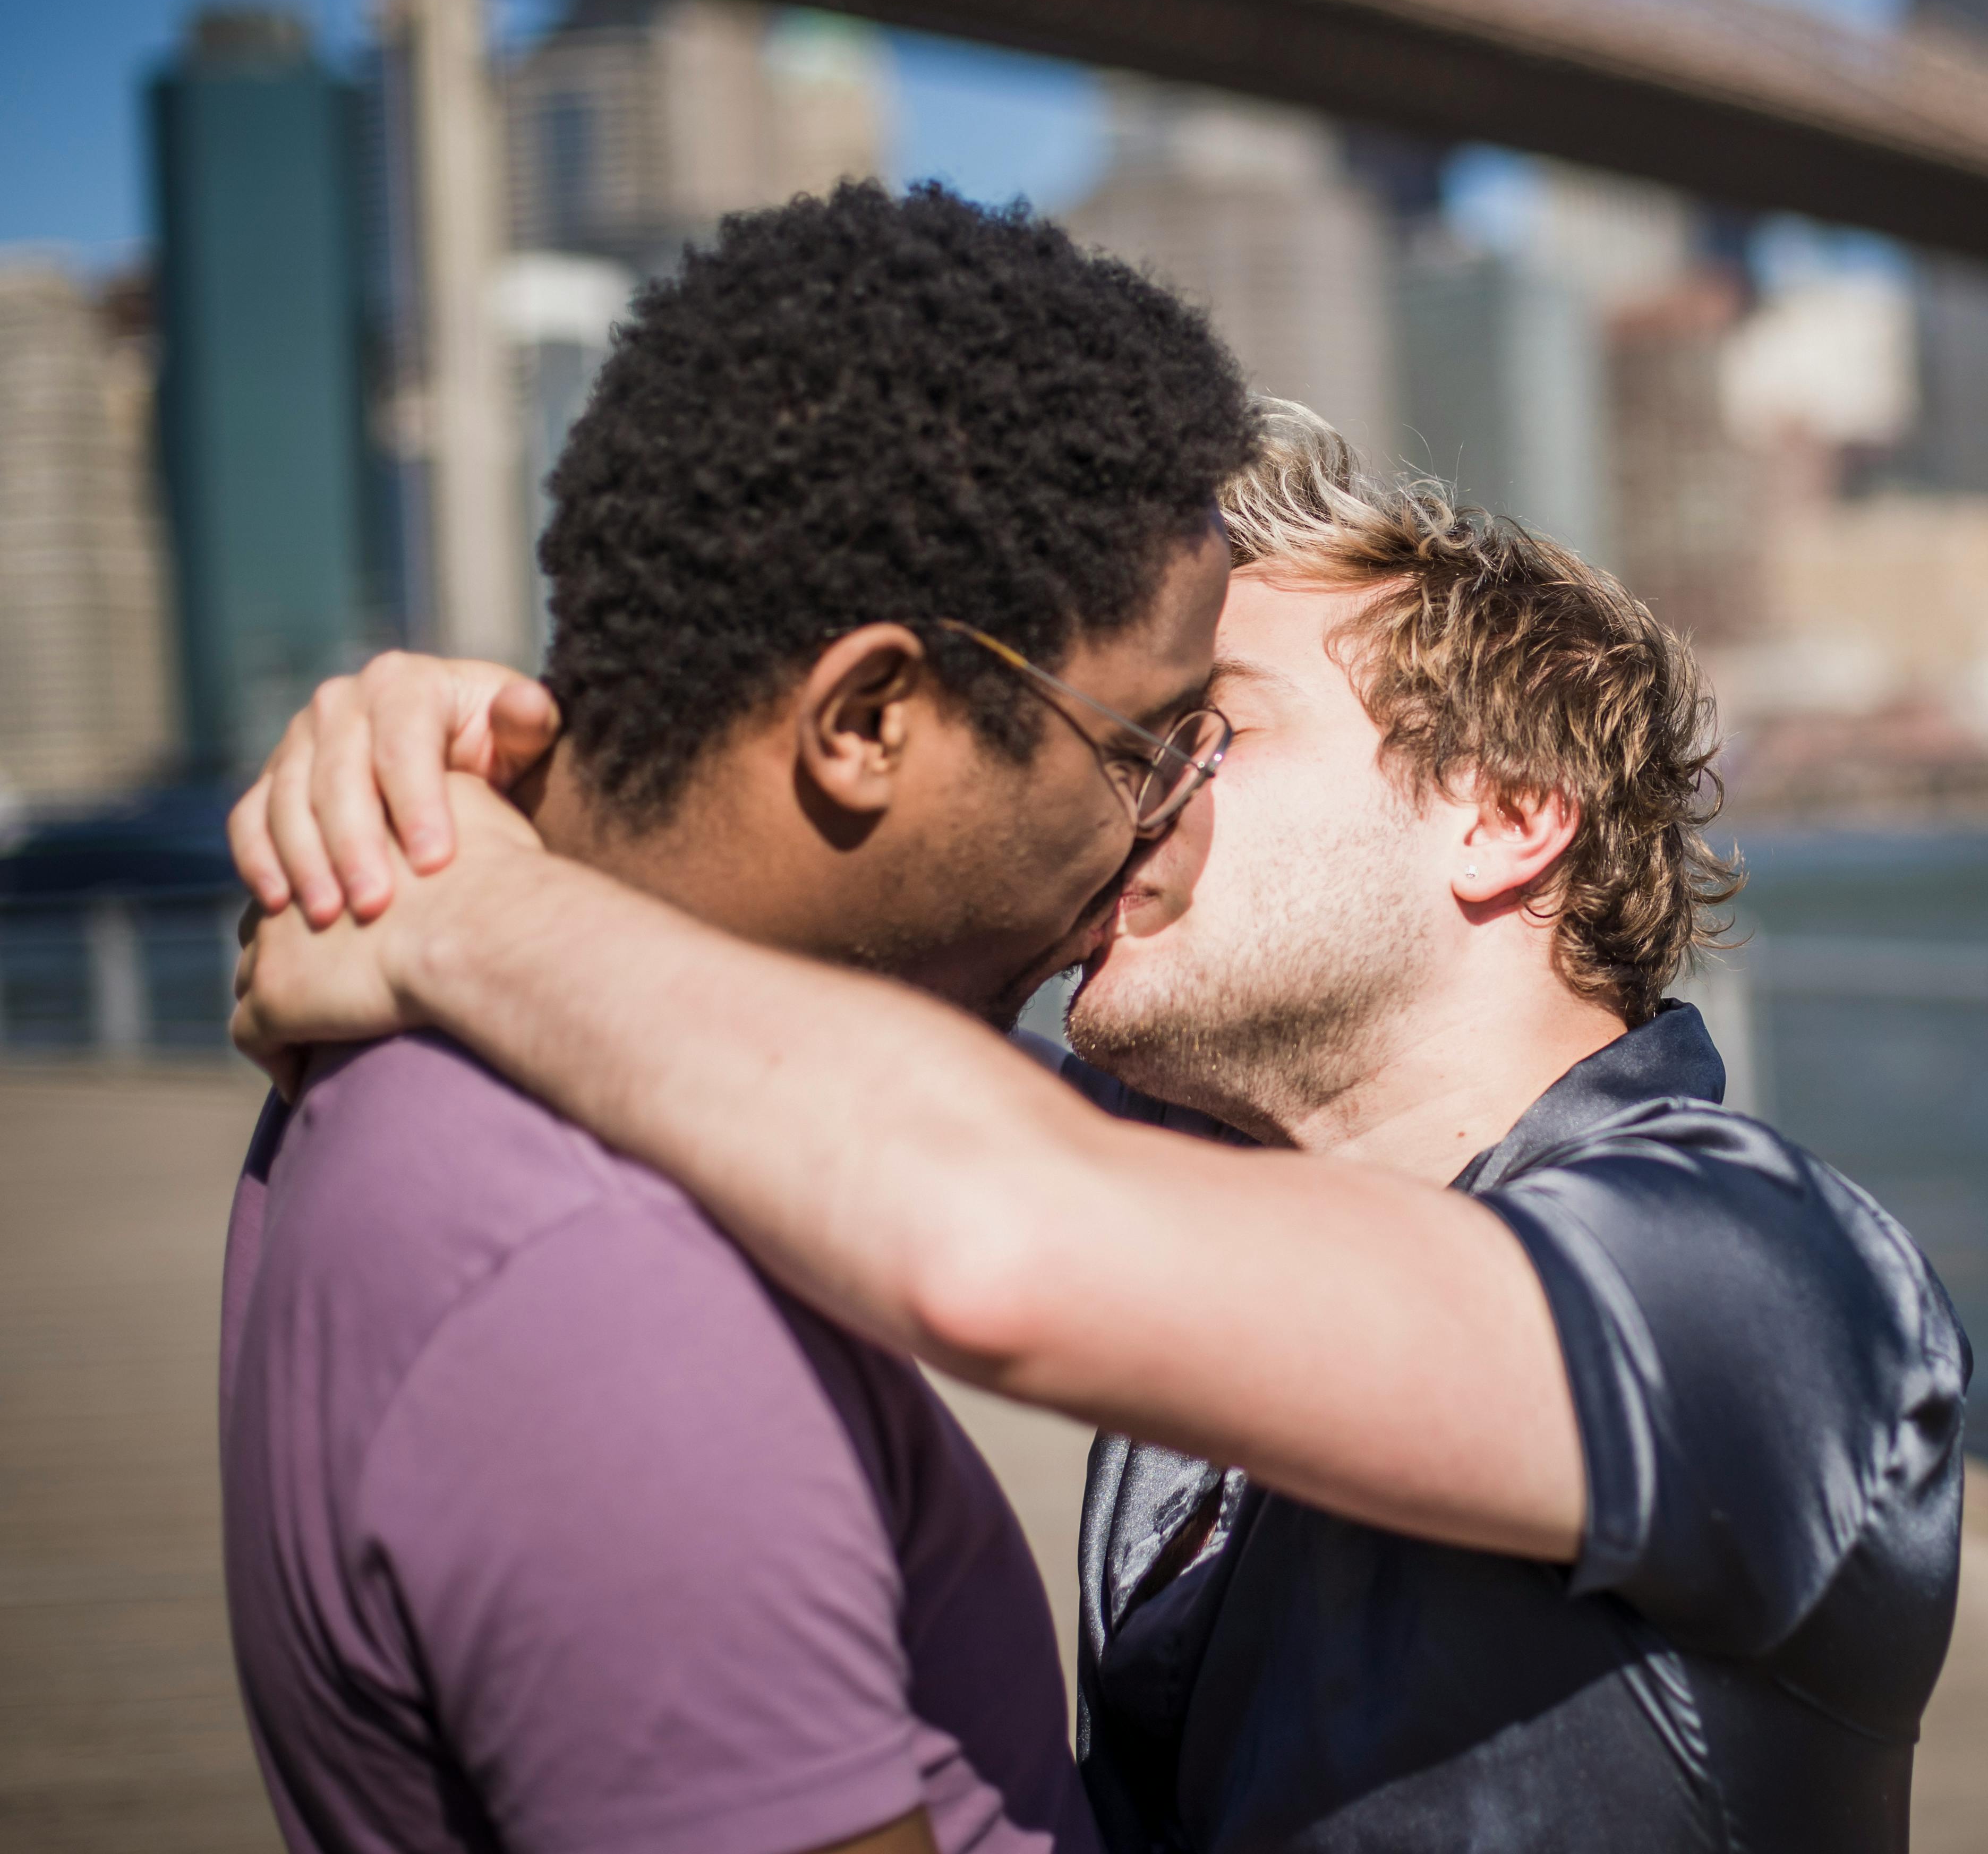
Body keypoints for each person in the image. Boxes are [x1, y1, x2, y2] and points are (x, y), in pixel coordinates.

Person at [236, 421, 1970, 1849]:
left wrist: (458, 919)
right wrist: (459, 781)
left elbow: (993, 1235)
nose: (1115, 797)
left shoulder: (1768, 1282)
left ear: (1508, 819)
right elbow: (791, 1021)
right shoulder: (1187, 1183)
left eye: (1199, 734)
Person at [217, 181, 1256, 1854]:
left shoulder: (445, 1021)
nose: (1167, 820)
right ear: (865, 718)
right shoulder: (602, 1295)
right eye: (1145, 744)